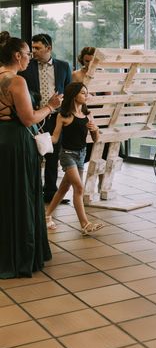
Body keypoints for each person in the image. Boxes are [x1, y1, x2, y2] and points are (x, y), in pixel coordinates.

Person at [0, 32, 62, 278]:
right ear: (17, 56)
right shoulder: (16, 81)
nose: (29, 58)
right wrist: (50, 106)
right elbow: (28, 118)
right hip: (16, 142)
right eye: (27, 54)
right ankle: (19, 255)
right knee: (20, 193)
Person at [45, 82, 104, 235]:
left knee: (64, 187)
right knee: (79, 188)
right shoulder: (64, 115)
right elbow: (55, 138)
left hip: (81, 154)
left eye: (87, 92)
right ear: (74, 95)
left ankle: (46, 215)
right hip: (67, 156)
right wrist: (39, 140)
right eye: (83, 93)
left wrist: (96, 130)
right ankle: (85, 224)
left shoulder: (87, 114)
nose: (87, 96)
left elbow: (96, 139)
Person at [19, 33, 72, 203]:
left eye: (37, 48)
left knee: (53, 155)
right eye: (32, 48)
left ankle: (50, 193)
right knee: (35, 155)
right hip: (34, 116)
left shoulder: (64, 66)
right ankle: (34, 193)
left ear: (48, 48)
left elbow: (69, 91)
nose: (33, 51)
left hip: (56, 118)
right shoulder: (26, 67)